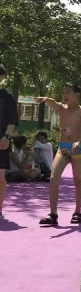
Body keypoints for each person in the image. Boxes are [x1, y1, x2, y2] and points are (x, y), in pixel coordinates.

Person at [36, 83, 81, 225]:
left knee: (78, 180)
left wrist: (79, 142)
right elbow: (53, 103)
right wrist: (45, 99)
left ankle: (77, 212)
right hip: (63, 148)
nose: (64, 95)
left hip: (78, 149)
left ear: (76, 95)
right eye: (63, 92)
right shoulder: (62, 109)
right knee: (53, 178)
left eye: (68, 92)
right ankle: (53, 214)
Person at [0, 65, 19, 220]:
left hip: (1, 140)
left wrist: (7, 136)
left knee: (0, 176)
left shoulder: (7, 97)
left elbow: (13, 120)